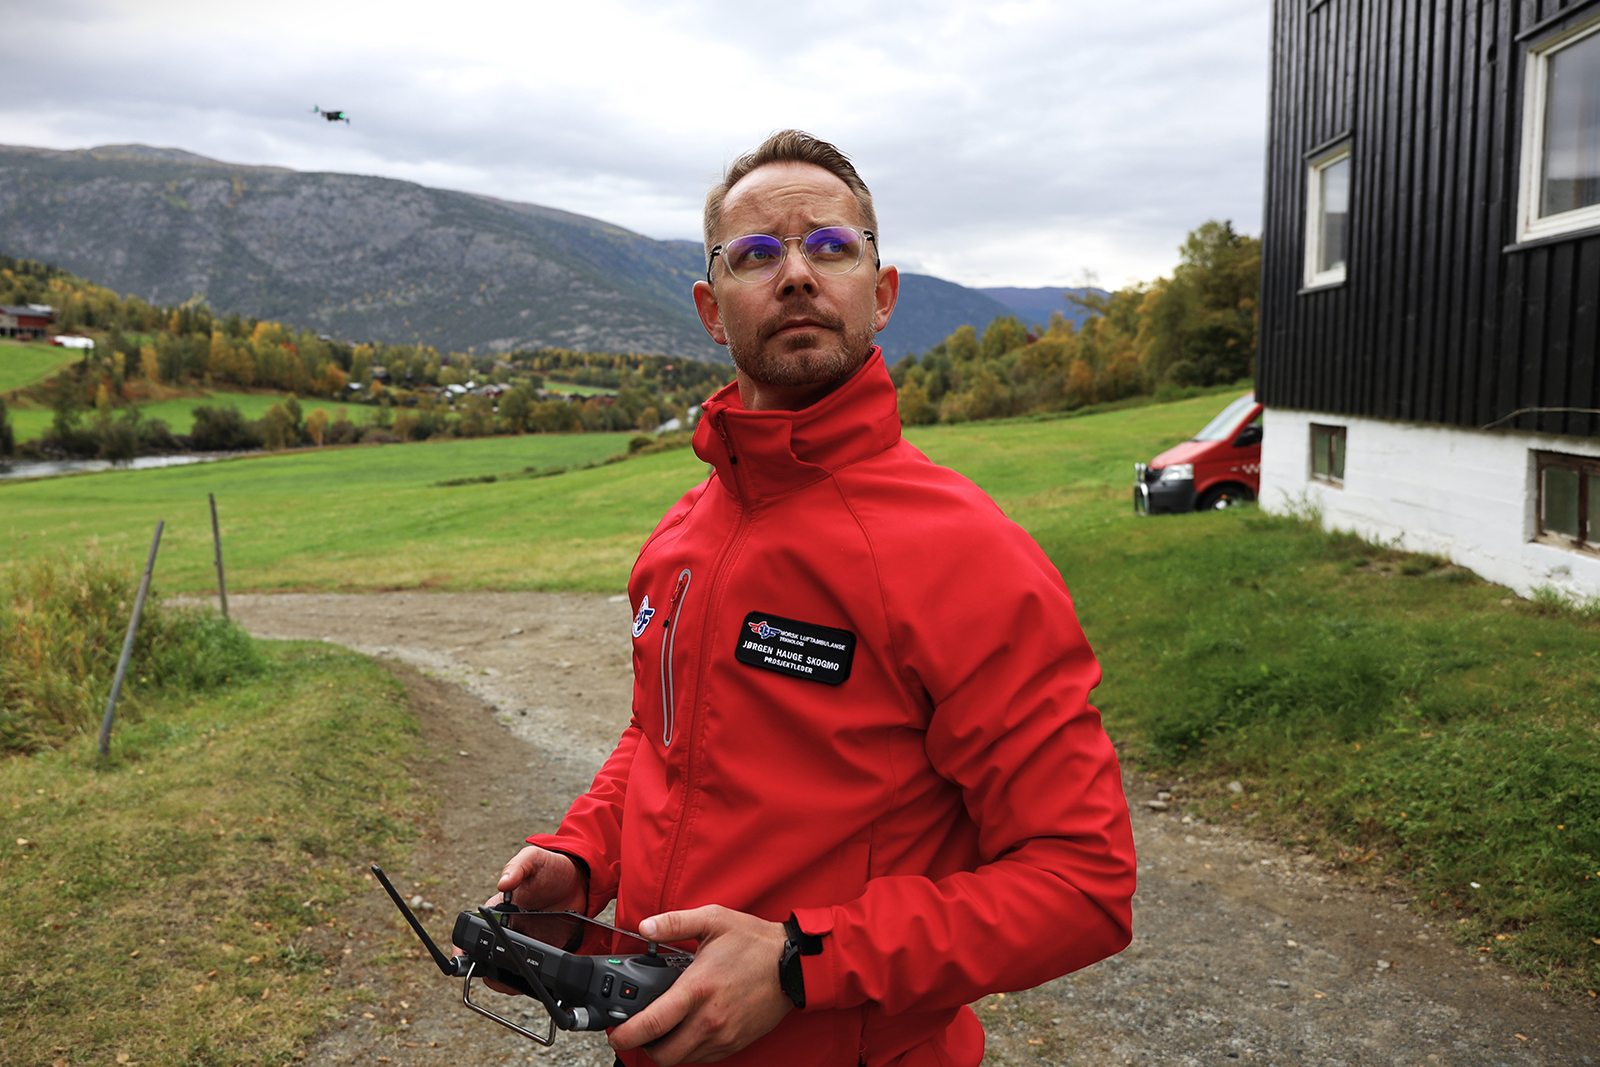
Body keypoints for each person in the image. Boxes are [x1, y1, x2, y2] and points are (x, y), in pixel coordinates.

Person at [478, 130, 1136, 1067]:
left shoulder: (969, 555)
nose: (796, 274)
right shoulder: (685, 536)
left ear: (882, 289)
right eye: (756, 254)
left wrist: (798, 962)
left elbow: (1084, 883)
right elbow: (661, 740)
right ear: (713, 309)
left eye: (831, 246)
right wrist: (584, 859)